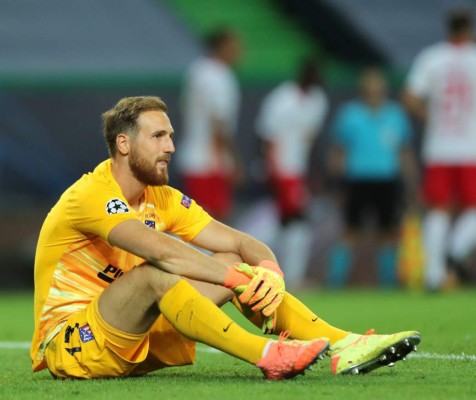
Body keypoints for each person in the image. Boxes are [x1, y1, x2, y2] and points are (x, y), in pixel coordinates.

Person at [30, 96, 421, 380]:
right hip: (72, 344)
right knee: (156, 272)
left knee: (235, 262)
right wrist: (234, 281)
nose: (171, 147)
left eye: (171, 136)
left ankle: (344, 344)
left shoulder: (161, 197)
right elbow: (159, 250)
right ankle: (268, 355)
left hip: (135, 338)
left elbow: (238, 241)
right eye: (158, 136)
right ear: (124, 144)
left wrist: (268, 271)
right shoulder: (92, 194)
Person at [402, 9, 476, 290]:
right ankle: (453, 255)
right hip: (474, 148)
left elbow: (409, 97)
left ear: (448, 28)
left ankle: (434, 274)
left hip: (439, 147)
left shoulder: (431, 57)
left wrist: (430, 117)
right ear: (471, 29)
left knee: (438, 209)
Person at [328, 68, 418, 288]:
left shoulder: (396, 115)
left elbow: (404, 152)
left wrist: (412, 182)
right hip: (357, 179)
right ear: (363, 90)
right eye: (369, 88)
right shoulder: (350, 115)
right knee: (350, 232)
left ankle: (388, 285)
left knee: (388, 233)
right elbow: (338, 151)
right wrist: (337, 183)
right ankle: (335, 284)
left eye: (378, 88)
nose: (374, 92)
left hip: (387, 180)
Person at [255, 58, 328, 289]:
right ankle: (291, 278)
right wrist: (271, 169)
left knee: (289, 223)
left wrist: (313, 173)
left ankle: (275, 273)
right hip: (282, 169)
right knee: (296, 221)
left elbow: (312, 140)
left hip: (298, 170)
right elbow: (266, 136)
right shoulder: (282, 99)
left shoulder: (318, 101)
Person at [176, 27, 243, 221]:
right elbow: (218, 121)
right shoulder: (220, 76)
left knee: (196, 222)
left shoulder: (197, 69)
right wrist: (232, 160)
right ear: (221, 46)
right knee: (213, 224)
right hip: (210, 161)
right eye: (234, 47)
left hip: (194, 155)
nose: (238, 52)